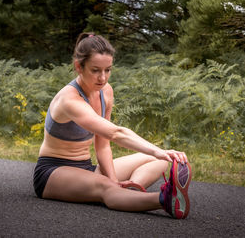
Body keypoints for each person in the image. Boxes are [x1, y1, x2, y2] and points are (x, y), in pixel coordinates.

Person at [33, 32, 192, 219]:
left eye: (108, 70)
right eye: (95, 70)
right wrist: (156, 149)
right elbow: (116, 133)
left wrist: (117, 179)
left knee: (161, 161)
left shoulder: (106, 92)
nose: (103, 77)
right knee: (106, 187)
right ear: (79, 67)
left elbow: (102, 144)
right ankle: (164, 200)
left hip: (87, 168)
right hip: (54, 172)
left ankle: (130, 190)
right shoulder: (69, 100)